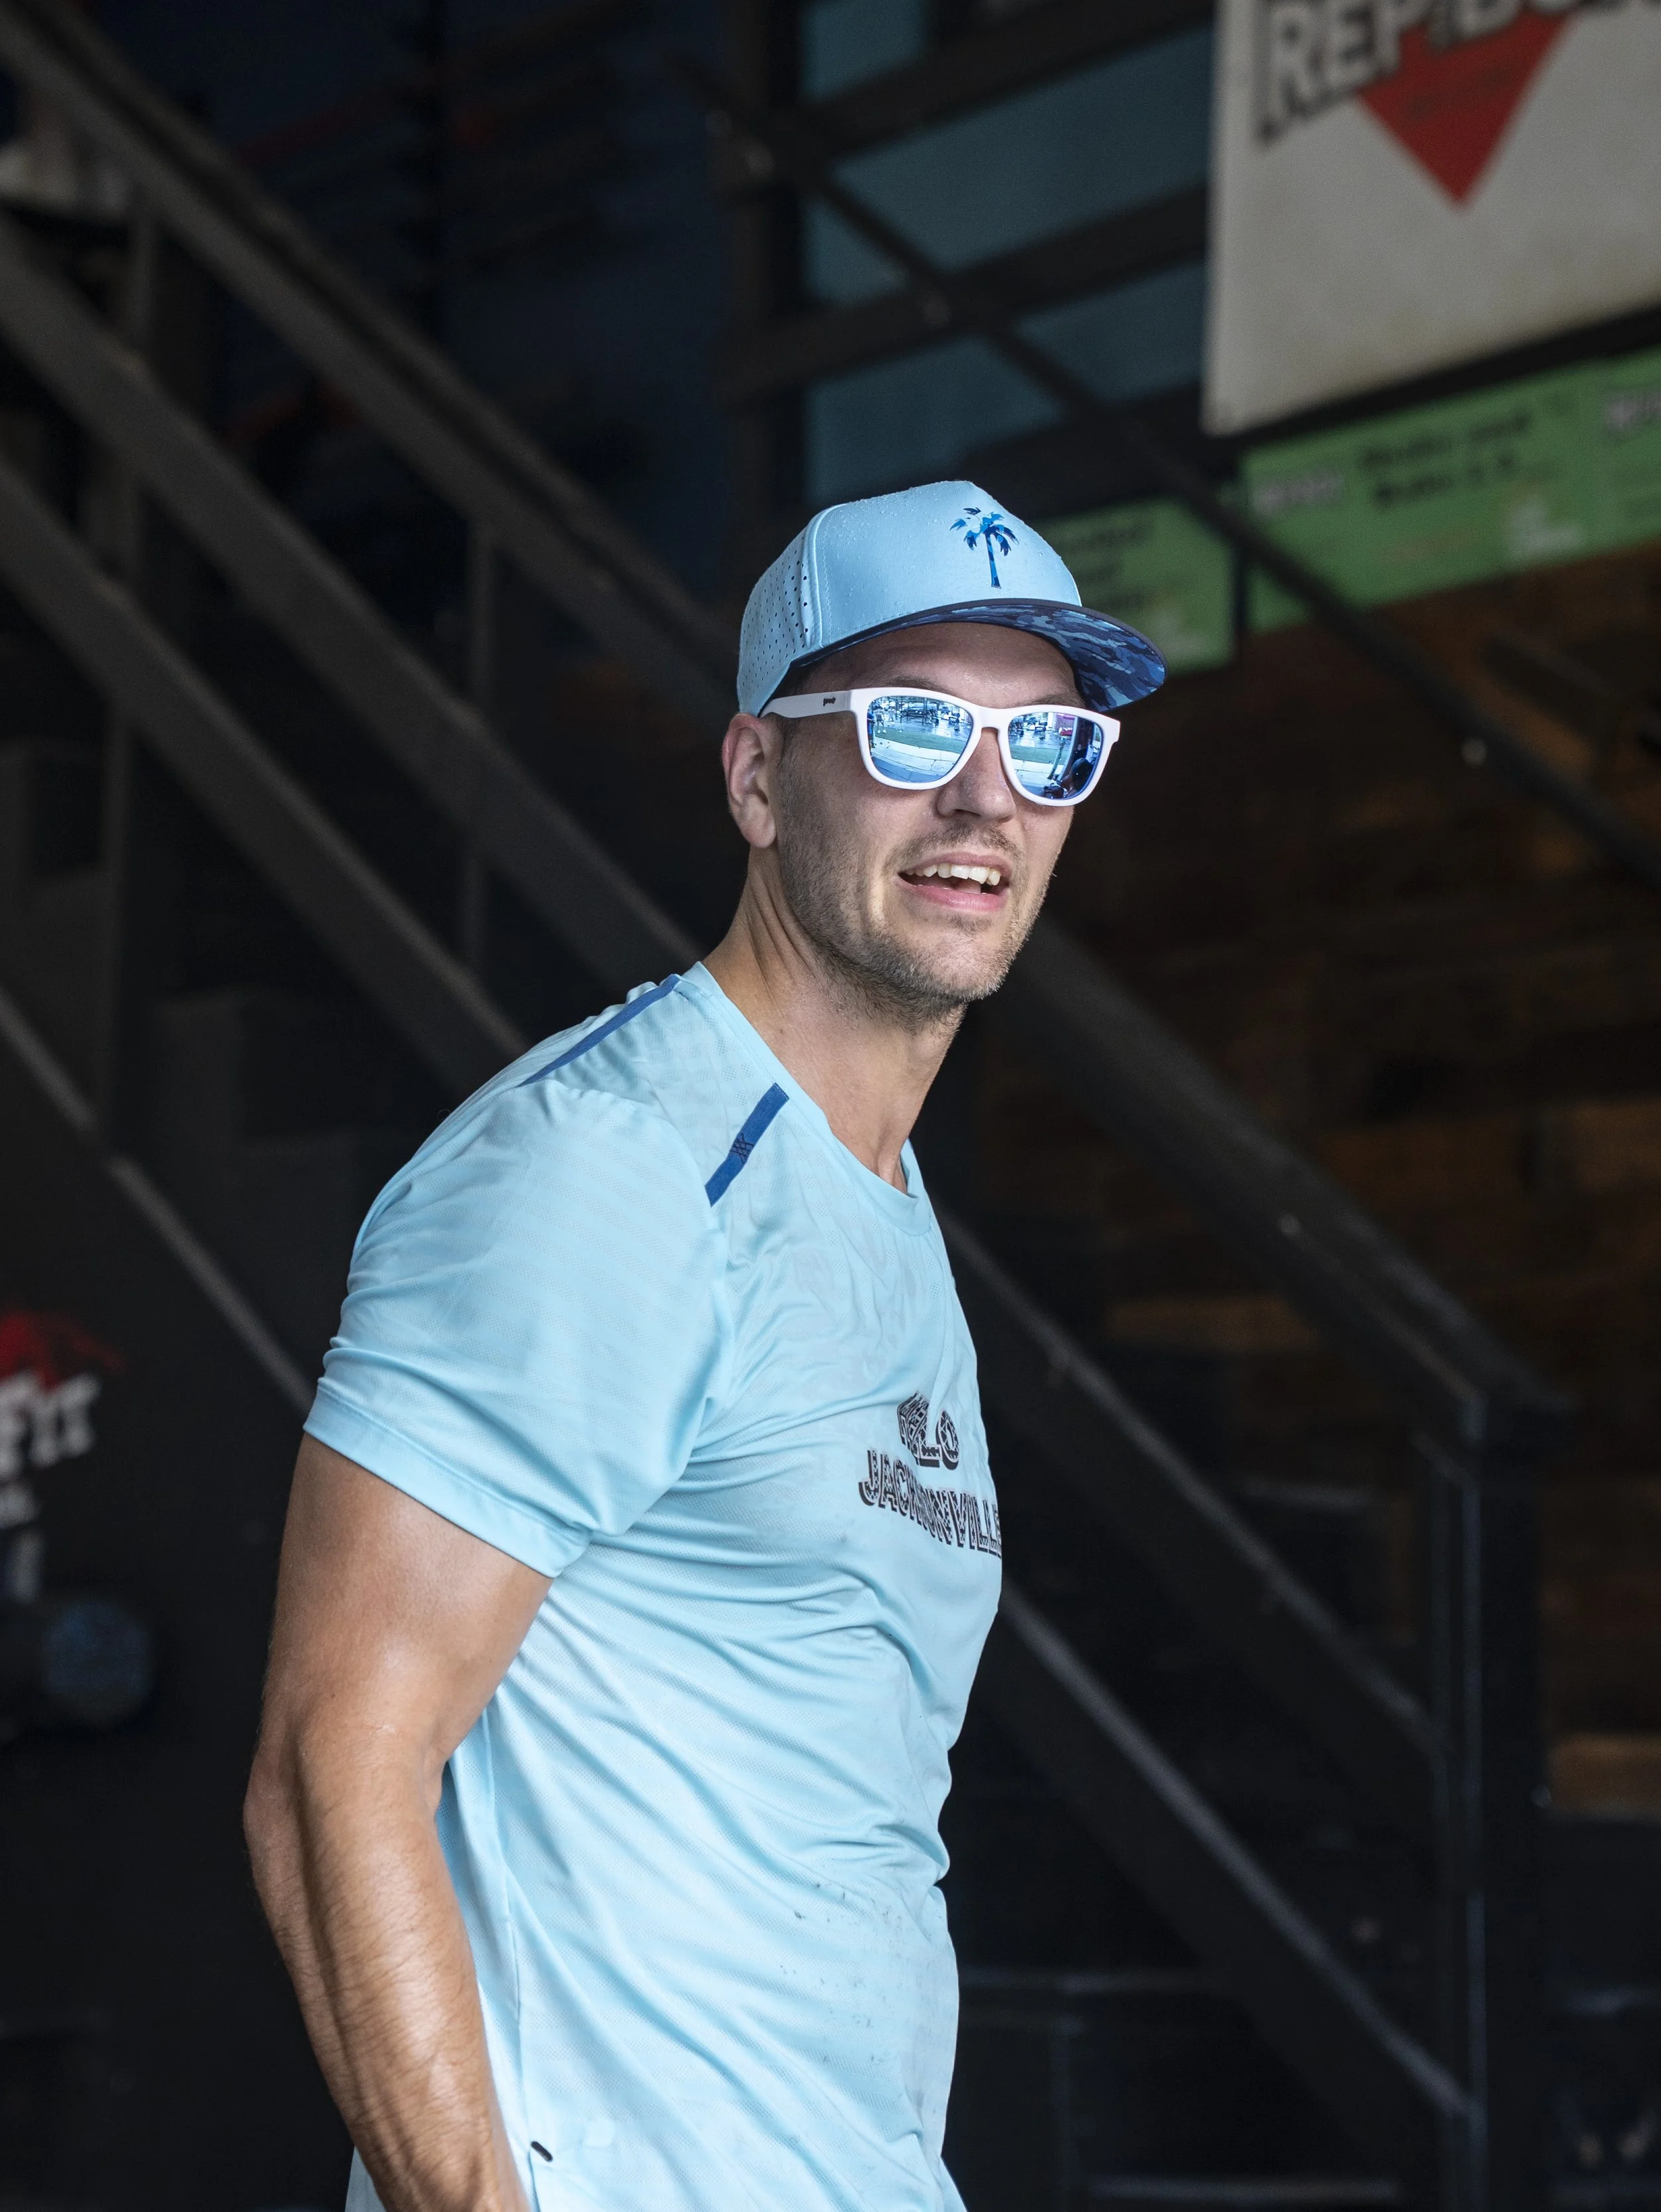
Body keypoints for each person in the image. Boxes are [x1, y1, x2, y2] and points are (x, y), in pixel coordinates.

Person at [244, 478, 1165, 2212]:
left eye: (1048, 746)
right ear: (755, 776)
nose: (987, 796)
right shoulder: (614, 1164)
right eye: (910, 726)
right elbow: (329, 1772)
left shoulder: (880, 1208)